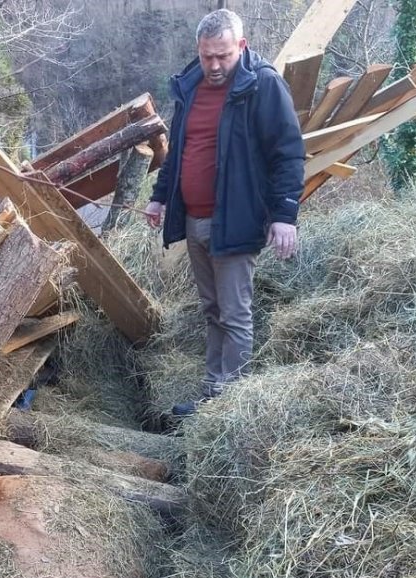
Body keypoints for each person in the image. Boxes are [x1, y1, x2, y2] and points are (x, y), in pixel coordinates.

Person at [145, 9, 304, 416]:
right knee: (212, 310)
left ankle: (229, 406)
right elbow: (179, 151)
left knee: (234, 313)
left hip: (236, 217)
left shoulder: (262, 85)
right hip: (195, 218)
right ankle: (213, 394)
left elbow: (288, 153)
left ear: (242, 47)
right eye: (207, 56)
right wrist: (160, 196)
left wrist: (285, 215)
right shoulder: (191, 86)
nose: (214, 66)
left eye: (223, 56)